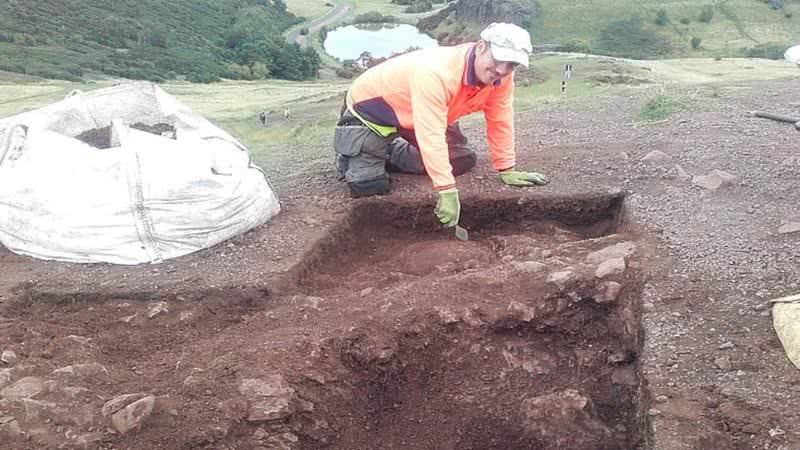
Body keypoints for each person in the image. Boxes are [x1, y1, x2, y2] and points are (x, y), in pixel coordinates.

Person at [333, 22, 548, 228]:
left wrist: (506, 167)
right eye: (499, 58)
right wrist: (446, 190)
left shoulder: (500, 79)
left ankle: (385, 152)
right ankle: (355, 154)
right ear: (481, 47)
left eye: (512, 64)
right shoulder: (438, 72)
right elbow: (431, 133)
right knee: (368, 186)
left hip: (425, 114)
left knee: (461, 160)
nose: (502, 70)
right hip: (373, 111)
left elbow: (500, 119)